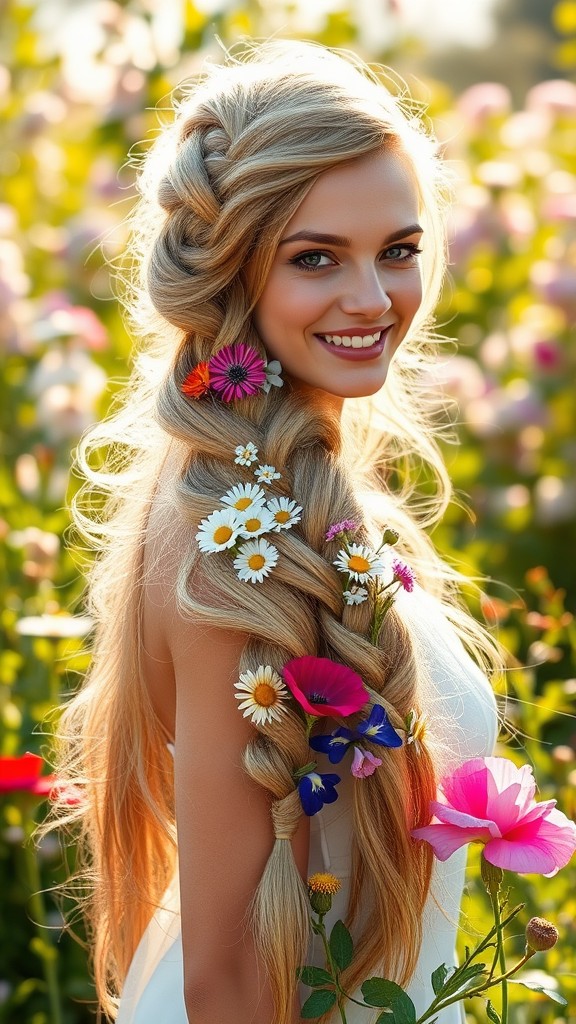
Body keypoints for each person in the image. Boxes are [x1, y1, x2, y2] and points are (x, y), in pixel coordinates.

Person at [49, 39, 502, 1024]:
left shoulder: (309, 501)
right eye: (314, 258)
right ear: (231, 275)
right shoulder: (230, 542)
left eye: (399, 249)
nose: (374, 299)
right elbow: (225, 982)